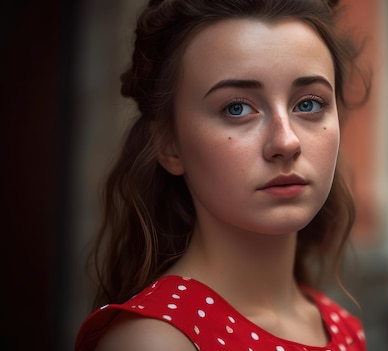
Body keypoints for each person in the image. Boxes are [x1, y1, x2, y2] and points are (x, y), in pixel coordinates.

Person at [74, 0, 370, 350]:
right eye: (237, 107)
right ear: (170, 145)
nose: (286, 142)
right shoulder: (155, 340)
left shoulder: (343, 328)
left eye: (308, 103)